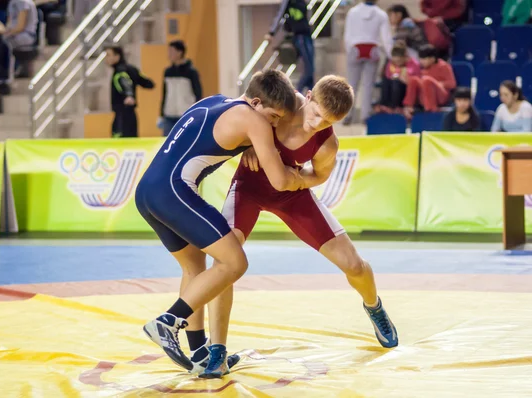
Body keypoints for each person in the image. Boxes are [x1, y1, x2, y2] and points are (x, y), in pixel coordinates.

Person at [201, 75, 398, 378]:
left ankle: (374, 307)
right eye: (316, 114)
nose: (316, 125)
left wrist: (296, 180)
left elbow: (319, 176)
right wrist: (249, 145)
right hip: (249, 187)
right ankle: (218, 351)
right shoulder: (280, 100)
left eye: (326, 122)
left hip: (291, 194)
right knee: (224, 261)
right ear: (307, 96)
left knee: (354, 265)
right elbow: (238, 118)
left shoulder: (327, 143)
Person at [137, 70, 302, 375]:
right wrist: (306, 177)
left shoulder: (214, 101)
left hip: (147, 192)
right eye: (274, 116)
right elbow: (279, 180)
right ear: (255, 102)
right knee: (234, 262)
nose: (275, 124)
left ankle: (200, 353)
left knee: (194, 267)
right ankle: (167, 322)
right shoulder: (254, 121)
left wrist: (249, 143)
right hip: (173, 192)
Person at [343, 0, 393, 124]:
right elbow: (386, 38)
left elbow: (347, 34)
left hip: (355, 48)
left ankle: (347, 115)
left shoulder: (352, 12)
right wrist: (391, 56)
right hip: (373, 49)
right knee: (368, 85)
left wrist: (349, 49)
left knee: (351, 85)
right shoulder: (381, 14)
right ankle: (365, 116)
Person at [104, 44, 154, 138]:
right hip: (130, 115)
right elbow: (148, 83)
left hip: (122, 116)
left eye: (108, 55)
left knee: (121, 145)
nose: (106, 58)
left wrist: (129, 95)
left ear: (117, 56)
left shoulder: (120, 72)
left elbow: (125, 82)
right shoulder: (131, 69)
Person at [266, 0, 314, 93]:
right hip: (299, 36)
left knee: (311, 70)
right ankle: (297, 93)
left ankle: (311, 95)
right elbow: (280, 15)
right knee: (309, 70)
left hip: (307, 35)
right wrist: (271, 33)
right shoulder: (288, 2)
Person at [159, 40, 202, 137]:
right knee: (167, 143)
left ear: (180, 52)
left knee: (187, 140)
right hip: (169, 114)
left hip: (186, 114)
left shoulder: (191, 72)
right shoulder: (168, 72)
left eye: (171, 51)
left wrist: (197, 113)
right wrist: (161, 114)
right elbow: (165, 93)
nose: (169, 54)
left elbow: (198, 93)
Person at [403, 44, 455, 118]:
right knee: (413, 80)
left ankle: (431, 110)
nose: (421, 61)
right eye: (420, 59)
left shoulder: (443, 66)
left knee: (426, 80)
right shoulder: (422, 68)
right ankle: (408, 107)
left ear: (432, 58)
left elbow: (452, 84)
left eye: (424, 59)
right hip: (424, 97)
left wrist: (436, 83)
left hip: (440, 96)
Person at [378, 41, 420, 114]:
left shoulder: (413, 64)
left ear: (405, 57)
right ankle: (385, 104)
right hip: (393, 89)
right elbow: (388, 76)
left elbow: (412, 80)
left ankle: (395, 106)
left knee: (396, 82)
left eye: (399, 61)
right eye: (395, 61)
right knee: (386, 81)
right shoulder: (391, 64)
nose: (397, 63)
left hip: (406, 90)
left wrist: (400, 76)